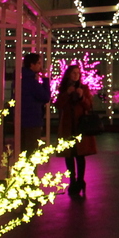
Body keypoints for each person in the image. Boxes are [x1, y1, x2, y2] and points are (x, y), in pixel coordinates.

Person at [55, 64, 97, 197]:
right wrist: (67, 94)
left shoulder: (83, 88)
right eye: (73, 73)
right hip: (68, 125)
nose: (76, 75)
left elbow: (89, 105)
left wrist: (81, 97)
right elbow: (58, 105)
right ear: (68, 74)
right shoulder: (63, 89)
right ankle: (72, 180)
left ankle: (80, 180)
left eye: (78, 73)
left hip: (80, 125)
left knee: (80, 154)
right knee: (69, 154)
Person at [20, 53, 51, 156]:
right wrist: (45, 79)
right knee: (31, 150)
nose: (40, 66)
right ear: (31, 65)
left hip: (21, 119)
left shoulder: (20, 79)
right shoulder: (31, 82)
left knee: (23, 149)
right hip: (32, 119)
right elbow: (45, 97)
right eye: (38, 63)